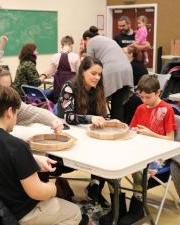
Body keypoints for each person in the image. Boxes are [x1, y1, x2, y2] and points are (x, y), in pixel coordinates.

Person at [0, 84, 81, 225]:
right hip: (16, 214)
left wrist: (31, 161)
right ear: (9, 112)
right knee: (74, 213)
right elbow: (37, 192)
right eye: (17, 113)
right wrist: (54, 187)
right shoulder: (16, 146)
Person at [0, 64, 63, 158]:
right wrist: (26, 153)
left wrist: (54, 121)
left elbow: (33, 111)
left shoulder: (7, 103)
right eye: (3, 89)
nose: (9, 92)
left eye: (10, 87)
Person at [119, 74, 178, 225]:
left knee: (138, 172)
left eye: (148, 97)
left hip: (160, 155)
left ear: (158, 93)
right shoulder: (140, 108)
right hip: (141, 150)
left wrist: (150, 134)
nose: (144, 101)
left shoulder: (167, 109)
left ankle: (137, 208)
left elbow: (170, 140)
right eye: (141, 97)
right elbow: (132, 129)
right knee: (116, 165)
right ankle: (118, 208)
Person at [57, 56, 110, 209]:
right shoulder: (69, 87)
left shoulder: (98, 89)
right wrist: (91, 118)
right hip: (68, 135)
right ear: (82, 72)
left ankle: (95, 187)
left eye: (99, 74)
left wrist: (108, 121)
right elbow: (68, 116)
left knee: (105, 151)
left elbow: (101, 115)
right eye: (93, 73)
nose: (97, 78)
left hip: (86, 135)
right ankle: (94, 188)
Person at [81, 25, 133, 121]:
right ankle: (117, 127)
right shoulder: (107, 39)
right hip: (127, 69)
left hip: (112, 70)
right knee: (117, 102)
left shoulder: (91, 42)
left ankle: (96, 121)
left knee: (98, 97)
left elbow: (89, 63)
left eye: (84, 42)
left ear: (87, 38)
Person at [42, 35, 79, 103]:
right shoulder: (76, 57)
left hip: (58, 85)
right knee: (70, 103)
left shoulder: (55, 56)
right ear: (71, 45)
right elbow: (79, 73)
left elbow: (51, 71)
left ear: (62, 45)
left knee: (58, 102)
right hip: (71, 85)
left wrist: (42, 77)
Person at [122, 46, 148, 124]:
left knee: (122, 98)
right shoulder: (135, 63)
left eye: (124, 53)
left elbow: (129, 84)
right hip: (138, 91)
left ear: (131, 54)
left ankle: (125, 122)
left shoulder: (132, 66)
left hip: (140, 94)